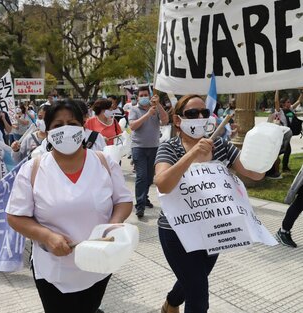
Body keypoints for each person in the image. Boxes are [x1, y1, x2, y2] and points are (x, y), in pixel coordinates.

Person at [6, 100, 132, 313]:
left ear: (83, 127)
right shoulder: (33, 169)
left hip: (98, 264)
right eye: (57, 125)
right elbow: (15, 217)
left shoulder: (104, 162)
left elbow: (123, 201)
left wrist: (113, 224)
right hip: (54, 270)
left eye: (72, 123)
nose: (66, 129)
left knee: (90, 307)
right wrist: (46, 236)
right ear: (46, 131)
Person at [154, 94, 264, 313]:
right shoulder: (169, 148)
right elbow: (162, 183)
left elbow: (254, 174)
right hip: (177, 233)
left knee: (196, 278)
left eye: (204, 113)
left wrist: (265, 152)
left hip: (213, 230)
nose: (200, 117)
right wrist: (193, 152)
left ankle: (171, 303)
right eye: (192, 113)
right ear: (178, 120)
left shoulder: (221, 145)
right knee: (198, 293)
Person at [129, 86, 169, 217]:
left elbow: (165, 120)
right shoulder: (134, 109)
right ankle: (140, 205)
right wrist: (147, 115)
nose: (143, 97)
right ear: (138, 97)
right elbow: (133, 126)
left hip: (154, 147)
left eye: (146, 94)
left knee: (149, 177)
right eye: (141, 95)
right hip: (138, 147)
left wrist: (158, 105)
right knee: (141, 176)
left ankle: (144, 198)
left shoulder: (156, 109)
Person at [271, 90, 303, 172]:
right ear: (283, 104)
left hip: (287, 134)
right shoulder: (279, 111)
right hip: (281, 134)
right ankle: (278, 167)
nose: (289, 103)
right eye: (288, 102)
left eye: (289, 102)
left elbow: (299, 100)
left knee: (286, 150)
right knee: (285, 150)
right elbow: (276, 101)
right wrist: (277, 90)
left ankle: (281, 167)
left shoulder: (291, 109)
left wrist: (302, 92)